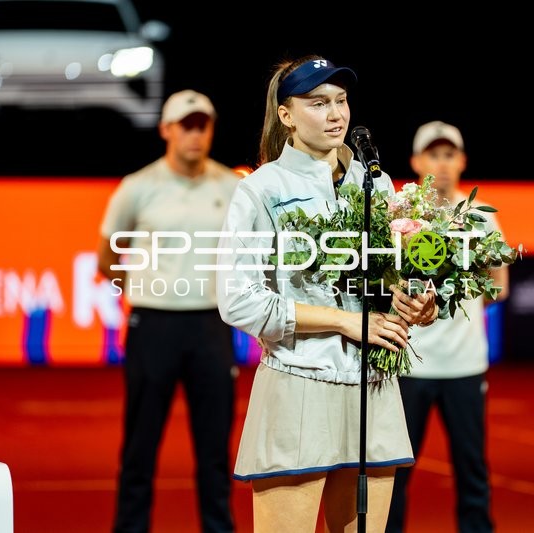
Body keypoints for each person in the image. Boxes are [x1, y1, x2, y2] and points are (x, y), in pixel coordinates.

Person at [215, 55, 438, 532]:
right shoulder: (261, 189)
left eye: (341, 101)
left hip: (374, 387)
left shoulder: (373, 184)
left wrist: (416, 301)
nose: (336, 113)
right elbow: (238, 300)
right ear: (286, 115)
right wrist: (343, 321)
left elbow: (389, 278)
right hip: (299, 384)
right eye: (318, 103)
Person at [97, 89, 240, 533]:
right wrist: (140, 290)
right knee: (140, 445)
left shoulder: (233, 187)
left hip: (211, 324)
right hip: (153, 322)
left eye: (203, 125)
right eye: (187, 125)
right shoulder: (138, 186)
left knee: (215, 447)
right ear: (166, 129)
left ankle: (219, 527)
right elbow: (106, 256)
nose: (196, 134)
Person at [387, 121, 508, 533]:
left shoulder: (481, 216)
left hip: (464, 365)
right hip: (408, 366)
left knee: (471, 467)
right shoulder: (398, 216)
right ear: (417, 161)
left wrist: (461, 299)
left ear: (462, 161)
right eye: (433, 154)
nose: (441, 163)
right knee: (397, 468)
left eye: (449, 154)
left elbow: (499, 285)